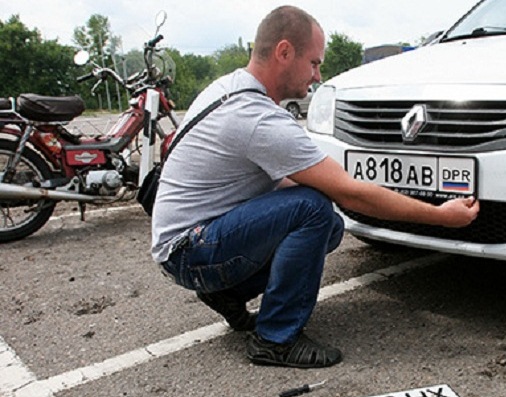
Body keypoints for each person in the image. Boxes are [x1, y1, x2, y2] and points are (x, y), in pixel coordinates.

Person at [151, 5, 479, 369]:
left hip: (188, 244)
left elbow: (304, 180)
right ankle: (275, 339)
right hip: (190, 251)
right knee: (312, 209)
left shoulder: (228, 89)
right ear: (284, 52)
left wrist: (334, 186)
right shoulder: (258, 117)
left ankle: (228, 292)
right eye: (314, 63)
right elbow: (349, 192)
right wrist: (438, 215)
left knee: (328, 225)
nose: (317, 76)